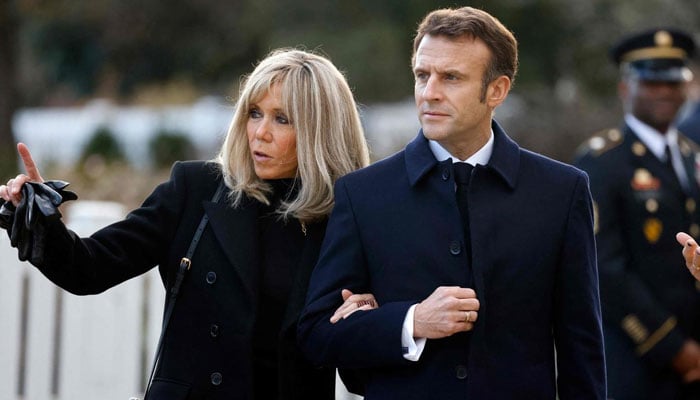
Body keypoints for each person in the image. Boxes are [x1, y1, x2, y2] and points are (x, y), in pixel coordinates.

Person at [0, 48, 373, 400]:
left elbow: (359, 378)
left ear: (320, 132)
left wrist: (367, 325)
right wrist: (37, 215)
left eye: (282, 119)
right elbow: (89, 267)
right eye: (254, 113)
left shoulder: (347, 221)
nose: (259, 132)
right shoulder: (196, 190)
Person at [298, 6, 606, 399]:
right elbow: (316, 335)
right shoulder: (363, 194)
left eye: (451, 78)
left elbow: (583, 349)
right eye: (422, 75)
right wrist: (412, 321)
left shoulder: (562, 191)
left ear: (497, 90)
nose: (429, 93)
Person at [574, 28, 700, 399]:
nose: (664, 93)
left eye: (673, 83)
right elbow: (603, 268)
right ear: (626, 88)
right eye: (651, 82)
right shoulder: (602, 161)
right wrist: (675, 349)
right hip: (638, 359)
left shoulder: (691, 155)